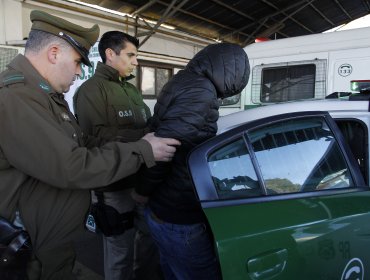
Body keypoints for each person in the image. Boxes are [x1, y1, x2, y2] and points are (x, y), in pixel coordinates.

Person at [0, 10, 180, 280]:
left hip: (54, 247)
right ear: (53, 53)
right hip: (31, 255)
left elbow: (85, 142)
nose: (79, 70)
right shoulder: (18, 97)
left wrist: (141, 140)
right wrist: (143, 151)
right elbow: (71, 165)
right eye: (76, 61)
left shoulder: (44, 96)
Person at [132, 43, 250, 279]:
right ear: (232, 72)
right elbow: (166, 147)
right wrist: (142, 190)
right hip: (178, 210)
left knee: (172, 269)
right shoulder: (201, 91)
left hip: (164, 204)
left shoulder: (185, 81)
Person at [73, 31, 162, 280]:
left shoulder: (131, 91)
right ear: (110, 54)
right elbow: (95, 139)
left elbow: (148, 123)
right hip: (113, 186)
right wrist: (144, 136)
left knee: (146, 240)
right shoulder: (91, 91)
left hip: (140, 181)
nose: (135, 62)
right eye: (131, 55)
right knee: (119, 249)